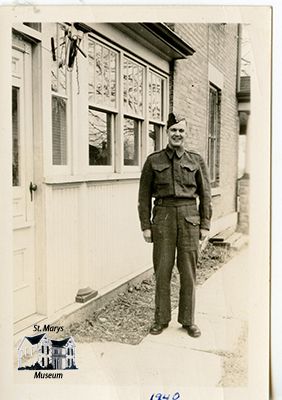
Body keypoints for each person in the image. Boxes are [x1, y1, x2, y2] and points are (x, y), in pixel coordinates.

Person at [138, 112, 212, 337]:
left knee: (188, 272)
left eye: (181, 130)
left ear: (185, 133)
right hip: (163, 219)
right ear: (167, 133)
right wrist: (146, 225)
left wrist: (205, 224)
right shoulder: (154, 160)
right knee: (162, 270)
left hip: (190, 218)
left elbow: (205, 194)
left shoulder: (195, 160)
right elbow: (143, 196)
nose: (177, 134)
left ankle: (188, 320)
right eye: (173, 130)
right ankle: (161, 319)